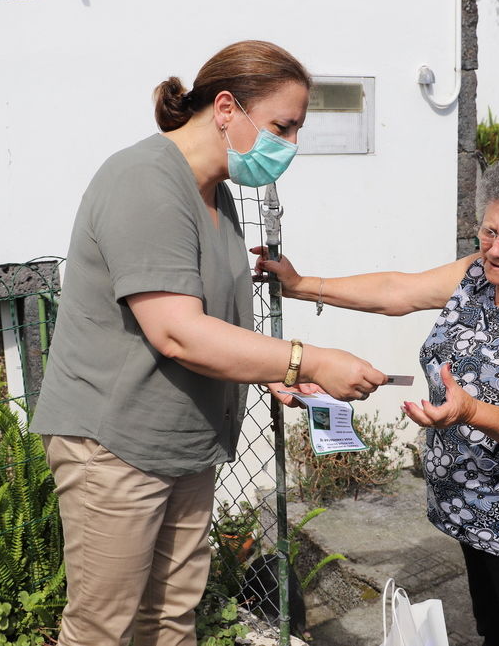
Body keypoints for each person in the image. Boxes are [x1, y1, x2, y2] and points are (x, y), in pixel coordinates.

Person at [30, 40, 387, 646]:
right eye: (283, 126)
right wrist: (308, 359)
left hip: (184, 445)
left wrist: (266, 370)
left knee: (172, 618)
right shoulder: (144, 181)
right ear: (226, 108)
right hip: (116, 446)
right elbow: (176, 331)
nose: (291, 146)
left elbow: (213, 322)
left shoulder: (216, 193)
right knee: (101, 629)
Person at [255, 154, 499, 646]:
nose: (495, 249)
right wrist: (299, 286)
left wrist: (470, 411)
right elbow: (395, 290)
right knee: (494, 631)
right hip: (470, 508)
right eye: (488, 232)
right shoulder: (477, 273)